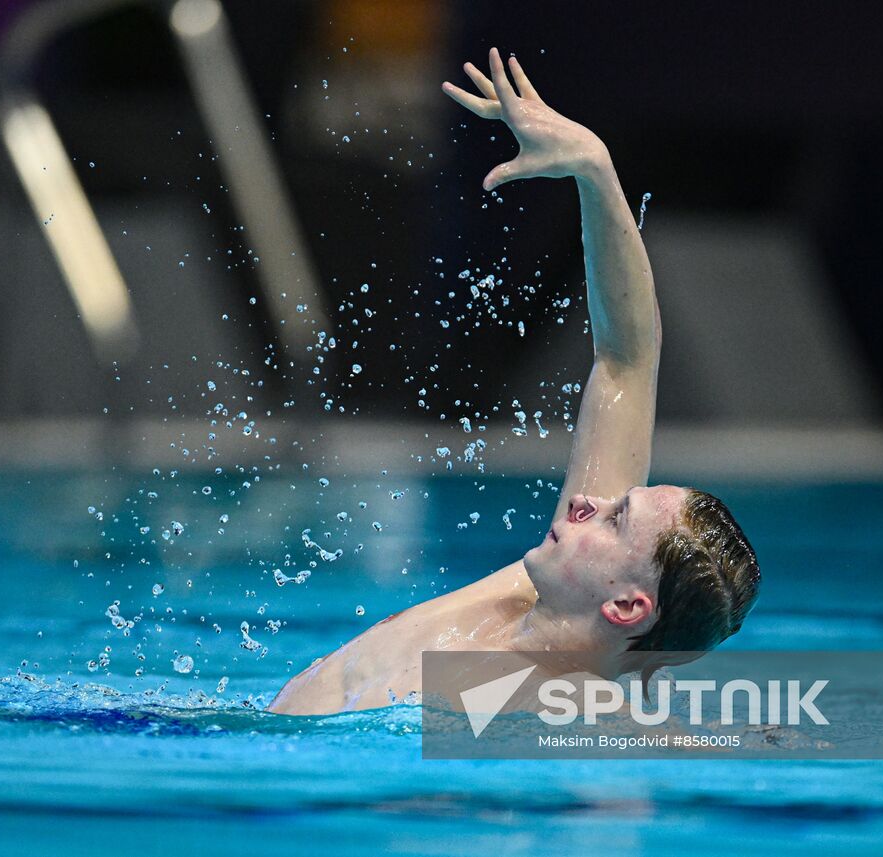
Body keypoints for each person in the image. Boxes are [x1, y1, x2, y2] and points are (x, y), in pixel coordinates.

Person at [269, 49, 760, 715]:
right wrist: (596, 170)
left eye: (614, 520)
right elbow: (626, 356)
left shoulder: (559, 710)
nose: (587, 503)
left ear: (625, 604)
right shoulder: (533, 593)